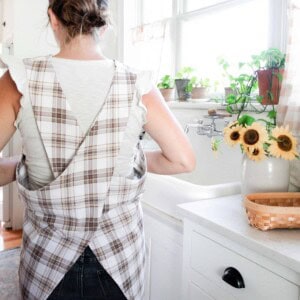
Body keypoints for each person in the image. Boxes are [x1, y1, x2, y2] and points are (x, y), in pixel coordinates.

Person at [0, 0, 196, 299]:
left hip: (47, 261)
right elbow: (182, 161)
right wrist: (121, 158)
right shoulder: (137, 83)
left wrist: (22, 165)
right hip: (119, 258)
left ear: (53, 18)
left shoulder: (20, 79)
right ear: (104, 23)